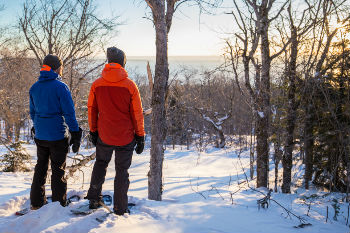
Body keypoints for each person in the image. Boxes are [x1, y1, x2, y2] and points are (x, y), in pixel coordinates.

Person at [86, 47, 145, 215]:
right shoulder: (130, 85)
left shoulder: (97, 84)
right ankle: (120, 207)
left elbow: (91, 109)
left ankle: (93, 199)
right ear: (123, 63)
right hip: (125, 137)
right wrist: (140, 136)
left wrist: (93, 131)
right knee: (121, 171)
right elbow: (137, 114)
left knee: (100, 164)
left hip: (104, 134)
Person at [29, 54, 82, 209]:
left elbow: (33, 113)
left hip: (41, 135)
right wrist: (75, 132)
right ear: (57, 68)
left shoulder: (34, 87)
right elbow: (69, 114)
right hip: (57, 136)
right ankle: (59, 203)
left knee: (40, 168)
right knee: (58, 170)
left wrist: (37, 126)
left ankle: (37, 202)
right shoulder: (61, 87)